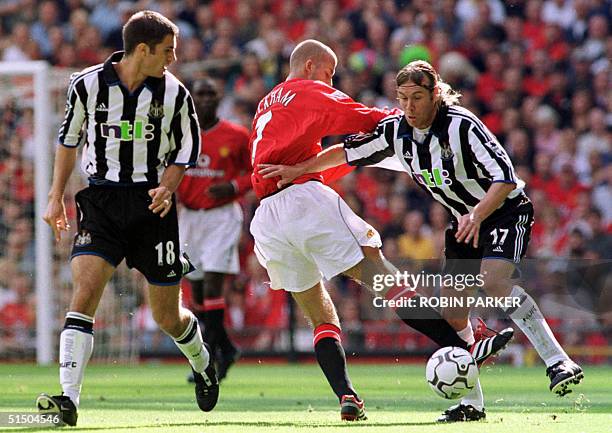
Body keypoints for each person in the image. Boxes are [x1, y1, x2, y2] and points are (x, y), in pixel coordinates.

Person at [260, 60, 584, 422]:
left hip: (502, 213)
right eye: (402, 98)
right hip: (463, 225)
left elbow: (505, 178)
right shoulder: (397, 131)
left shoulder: (462, 125)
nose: (409, 107)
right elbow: (346, 152)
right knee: (453, 314)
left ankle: (558, 362)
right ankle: (471, 404)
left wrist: (477, 215)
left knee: (494, 283)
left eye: (416, 98)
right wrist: (300, 170)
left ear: (435, 95)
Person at [36, 11, 218, 426]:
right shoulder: (86, 85)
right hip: (100, 201)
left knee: (167, 316)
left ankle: (203, 361)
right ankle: (69, 399)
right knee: (84, 290)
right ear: (142, 50)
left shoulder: (174, 94)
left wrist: (168, 186)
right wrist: (54, 198)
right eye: (167, 51)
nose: (172, 60)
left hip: (152, 206)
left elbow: (185, 150)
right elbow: (68, 141)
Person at [177, 78, 250, 382]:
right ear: (192, 99)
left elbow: (255, 172)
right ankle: (225, 349)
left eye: (211, 93)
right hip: (190, 218)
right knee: (194, 292)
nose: (206, 99)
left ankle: (209, 355)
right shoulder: (181, 134)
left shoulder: (236, 135)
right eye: (201, 94)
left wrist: (232, 186)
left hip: (221, 217)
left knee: (211, 288)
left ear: (220, 97)